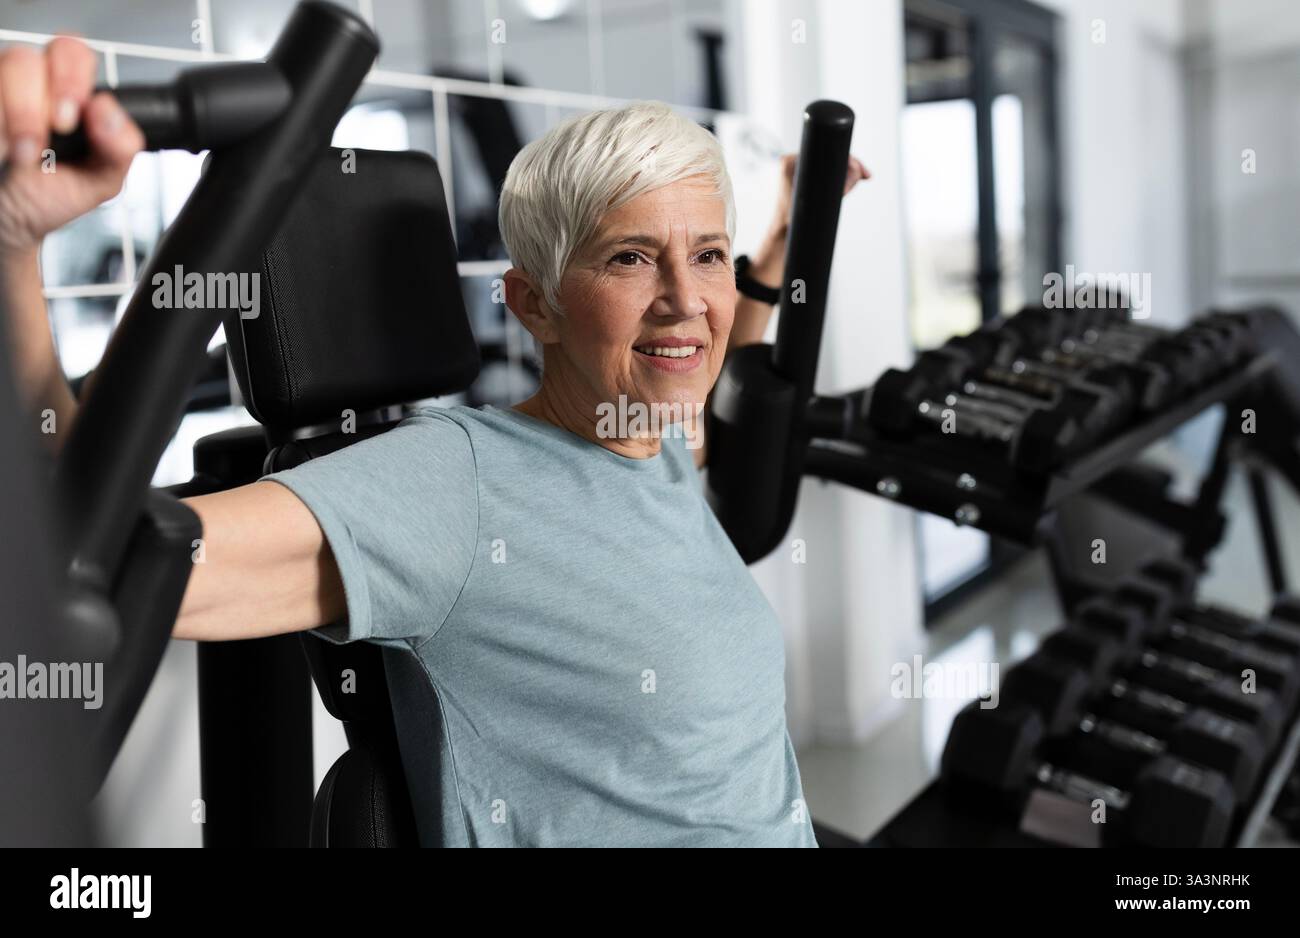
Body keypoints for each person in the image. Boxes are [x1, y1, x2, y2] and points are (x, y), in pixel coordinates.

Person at [0, 37, 869, 847]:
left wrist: (779, 242)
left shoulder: (650, 439)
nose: (686, 298)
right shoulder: (456, 487)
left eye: (706, 255)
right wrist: (14, 248)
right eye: (631, 259)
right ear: (535, 306)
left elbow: (710, 350)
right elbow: (96, 554)